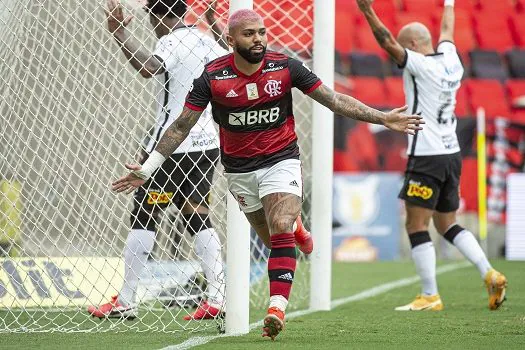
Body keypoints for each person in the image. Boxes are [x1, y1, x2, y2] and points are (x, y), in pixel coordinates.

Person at [111, 8, 422, 339]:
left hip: (281, 160)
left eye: (261, 32)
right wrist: (148, 168)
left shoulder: (285, 67)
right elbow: (182, 125)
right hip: (240, 171)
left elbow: (332, 100)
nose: (258, 39)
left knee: (281, 227)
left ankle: (276, 308)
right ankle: (297, 227)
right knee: (273, 239)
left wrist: (383, 118)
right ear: (230, 40)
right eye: (249, 34)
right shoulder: (212, 77)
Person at [357, 0, 507, 311]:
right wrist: (449, 4)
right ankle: (489, 273)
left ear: (412, 45)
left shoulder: (420, 64)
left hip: (425, 156)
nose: (400, 51)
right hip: (451, 153)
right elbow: (448, 29)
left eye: (404, 46)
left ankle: (430, 295)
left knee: (416, 224)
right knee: (447, 223)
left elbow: (386, 42)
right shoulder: (452, 59)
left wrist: (367, 10)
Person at [88, 0, 229, 321]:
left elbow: (150, 67)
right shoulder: (206, 39)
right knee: (197, 217)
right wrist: (216, 26)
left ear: (155, 15)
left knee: (145, 214)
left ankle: (126, 299)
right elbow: (229, 61)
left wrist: (119, 33)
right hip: (207, 142)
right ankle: (218, 298)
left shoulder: (170, 40)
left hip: (172, 145)